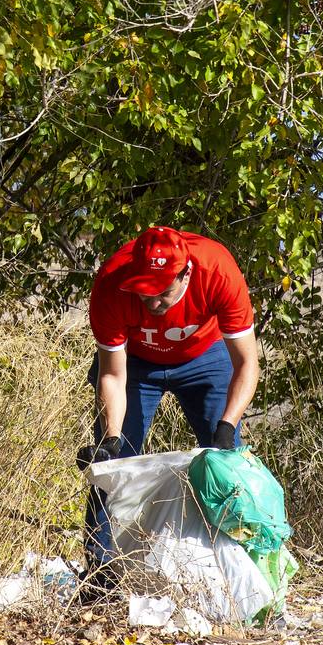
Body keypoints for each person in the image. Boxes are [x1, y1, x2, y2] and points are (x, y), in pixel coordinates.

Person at [77, 225, 259, 588]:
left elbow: (247, 364)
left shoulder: (217, 270)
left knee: (226, 467)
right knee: (111, 466)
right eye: (143, 293)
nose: (152, 303)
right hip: (136, 364)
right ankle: (101, 577)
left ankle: (237, 574)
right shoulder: (113, 282)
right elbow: (112, 376)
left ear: (186, 273)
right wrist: (110, 439)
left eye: (161, 292)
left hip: (204, 357)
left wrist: (226, 428)